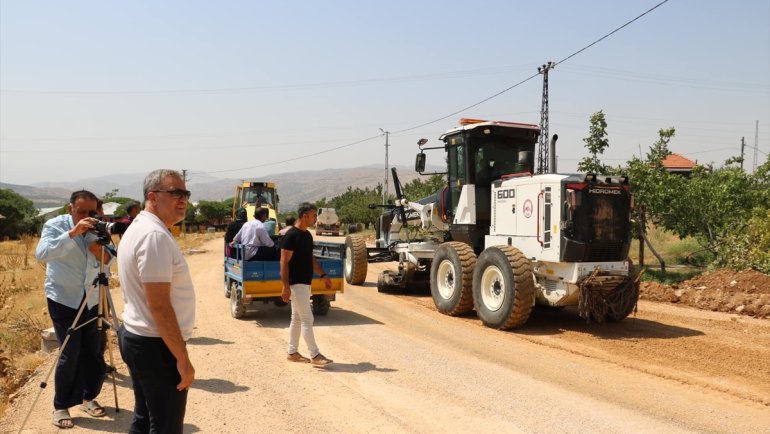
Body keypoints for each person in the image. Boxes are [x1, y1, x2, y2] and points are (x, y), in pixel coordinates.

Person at [117, 169, 195, 434]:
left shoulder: (142, 227)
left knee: (145, 417)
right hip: (155, 345)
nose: (183, 198)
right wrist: (182, 358)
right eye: (175, 193)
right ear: (152, 196)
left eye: (185, 193)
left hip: (141, 338)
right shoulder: (154, 236)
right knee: (165, 427)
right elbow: (159, 306)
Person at [35, 190, 112, 429]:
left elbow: (108, 260)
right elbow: (42, 254)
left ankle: (88, 396)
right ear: (70, 209)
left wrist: (98, 246)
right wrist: (72, 234)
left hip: (92, 296)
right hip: (64, 297)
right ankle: (61, 405)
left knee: (94, 350)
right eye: (81, 212)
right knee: (70, 352)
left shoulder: (97, 229)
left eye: (92, 212)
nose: (87, 217)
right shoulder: (55, 225)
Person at [280, 202, 333, 366]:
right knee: (307, 318)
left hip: (305, 282)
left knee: (296, 318)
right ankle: (315, 355)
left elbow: (311, 258)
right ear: (304, 216)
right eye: (312, 216)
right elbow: (283, 261)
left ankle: (292, 352)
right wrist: (286, 286)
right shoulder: (291, 236)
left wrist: (322, 274)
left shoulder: (307, 235)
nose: (315, 219)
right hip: (296, 284)